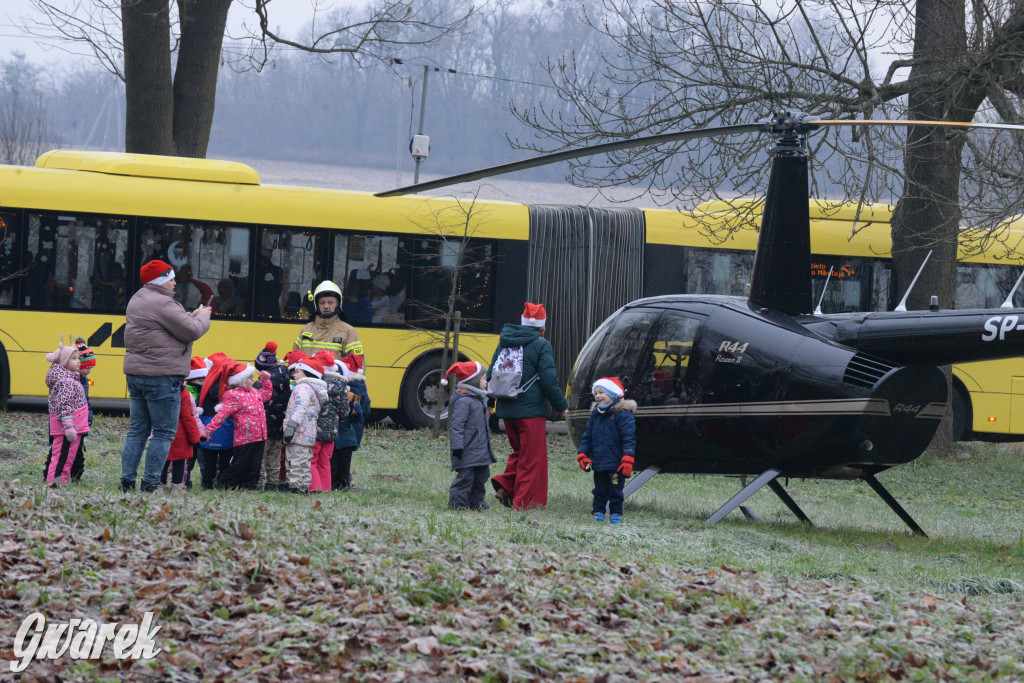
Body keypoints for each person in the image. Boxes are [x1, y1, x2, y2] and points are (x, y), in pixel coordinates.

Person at [120, 259, 211, 493]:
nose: (174, 283)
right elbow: (191, 330)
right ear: (160, 280)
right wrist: (203, 317)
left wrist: (190, 315)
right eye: (170, 279)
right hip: (161, 376)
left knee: (137, 430)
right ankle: (150, 483)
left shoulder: (138, 298)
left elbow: (169, 326)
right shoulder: (163, 303)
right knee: (163, 432)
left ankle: (127, 480)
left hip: (136, 374)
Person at [489, 302, 568, 510]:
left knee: (521, 453)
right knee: (533, 460)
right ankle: (525, 505)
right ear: (542, 327)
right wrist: (562, 407)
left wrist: (490, 402)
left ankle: (506, 487)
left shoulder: (505, 341)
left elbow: (491, 374)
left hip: (507, 410)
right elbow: (549, 381)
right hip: (530, 412)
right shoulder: (542, 344)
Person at [576, 377, 637, 525]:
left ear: (613, 393)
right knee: (599, 490)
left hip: (616, 465)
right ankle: (598, 512)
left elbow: (629, 438)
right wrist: (583, 454)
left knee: (615, 490)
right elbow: (587, 436)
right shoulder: (596, 414)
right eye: (595, 393)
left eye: (601, 392)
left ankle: (616, 513)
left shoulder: (622, 414)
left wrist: (628, 458)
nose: (597, 396)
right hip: (599, 463)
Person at [203, 362, 274, 490]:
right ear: (241, 380)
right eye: (249, 377)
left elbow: (267, 395)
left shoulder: (256, 393)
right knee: (239, 464)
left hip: (260, 436)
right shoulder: (234, 396)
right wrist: (208, 430)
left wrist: (265, 381)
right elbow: (221, 415)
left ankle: (249, 487)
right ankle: (224, 485)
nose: (253, 379)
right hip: (244, 438)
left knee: (255, 465)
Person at [443, 361, 496, 510]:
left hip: (480, 449)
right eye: (484, 378)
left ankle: (476, 502)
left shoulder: (481, 399)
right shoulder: (464, 401)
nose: (486, 382)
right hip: (466, 450)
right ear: (473, 381)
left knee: (481, 476)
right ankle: (457, 503)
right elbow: (456, 427)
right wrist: (458, 448)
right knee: (465, 478)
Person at [44, 339, 89, 485]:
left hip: (72, 427)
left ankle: (62, 481)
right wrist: (69, 427)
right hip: (67, 429)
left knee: (67, 457)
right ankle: (55, 483)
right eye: (74, 358)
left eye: (78, 358)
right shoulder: (66, 382)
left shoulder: (70, 378)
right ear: (64, 362)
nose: (78, 362)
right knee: (61, 458)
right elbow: (64, 405)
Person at [282, 352, 327, 493]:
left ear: (308, 373)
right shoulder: (314, 389)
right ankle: (303, 486)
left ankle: (295, 487)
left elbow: (300, 408)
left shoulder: (303, 388)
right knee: (304, 461)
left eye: (298, 372)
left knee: (295, 460)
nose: (294, 375)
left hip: (298, 431)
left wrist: (291, 427)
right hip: (308, 433)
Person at [294, 280, 365, 370]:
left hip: (334, 383)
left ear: (338, 304)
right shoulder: (306, 330)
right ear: (317, 305)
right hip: (307, 383)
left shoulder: (348, 331)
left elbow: (357, 366)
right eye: (322, 302)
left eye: (330, 302)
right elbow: (294, 360)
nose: (326, 306)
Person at [254, 342, 291, 490]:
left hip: (264, 425)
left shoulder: (261, 383)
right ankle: (273, 482)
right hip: (280, 425)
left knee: (260, 456)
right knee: (275, 456)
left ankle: (258, 482)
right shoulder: (286, 376)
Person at [196, 353, 235, 489]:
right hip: (226, 425)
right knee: (225, 458)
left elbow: (198, 404)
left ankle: (207, 483)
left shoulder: (206, 384)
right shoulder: (230, 385)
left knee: (209, 458)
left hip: (208, 424)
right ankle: (222, 483)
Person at [311, 351, 349, 492]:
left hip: (315, 430)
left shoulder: (315, 382)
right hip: (332, 431)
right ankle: (326, 489)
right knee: (325, 461)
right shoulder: (342, 385)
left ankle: (314, 488)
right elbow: (345, 411)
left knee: (312, 460)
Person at [333, 354, 369, 490]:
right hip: (355, 428)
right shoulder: (361, 387)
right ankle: (346, 481)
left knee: (338, 457)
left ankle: (341, 481)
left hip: (344, 428)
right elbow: (366, 407)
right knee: (347, 457)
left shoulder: (346, 390)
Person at [162, 382, 204, 493]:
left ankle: (160, 485)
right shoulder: (183, 393)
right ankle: (177, 487)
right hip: (180, 435)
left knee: (163, 461)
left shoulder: (160, 390)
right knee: (179, 462)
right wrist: (195, 439)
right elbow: (188, 417)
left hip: (161, 432)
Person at [70, 338, 96, 483]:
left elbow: (86, 403)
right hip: (71, 423)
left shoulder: (83, 381)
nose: (89, 371)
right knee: (67, 450)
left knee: (78, 451)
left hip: (80, 423)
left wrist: (89, 417)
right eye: (88, 367)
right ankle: (61, 474)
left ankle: (76, 475)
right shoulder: (71, 381)